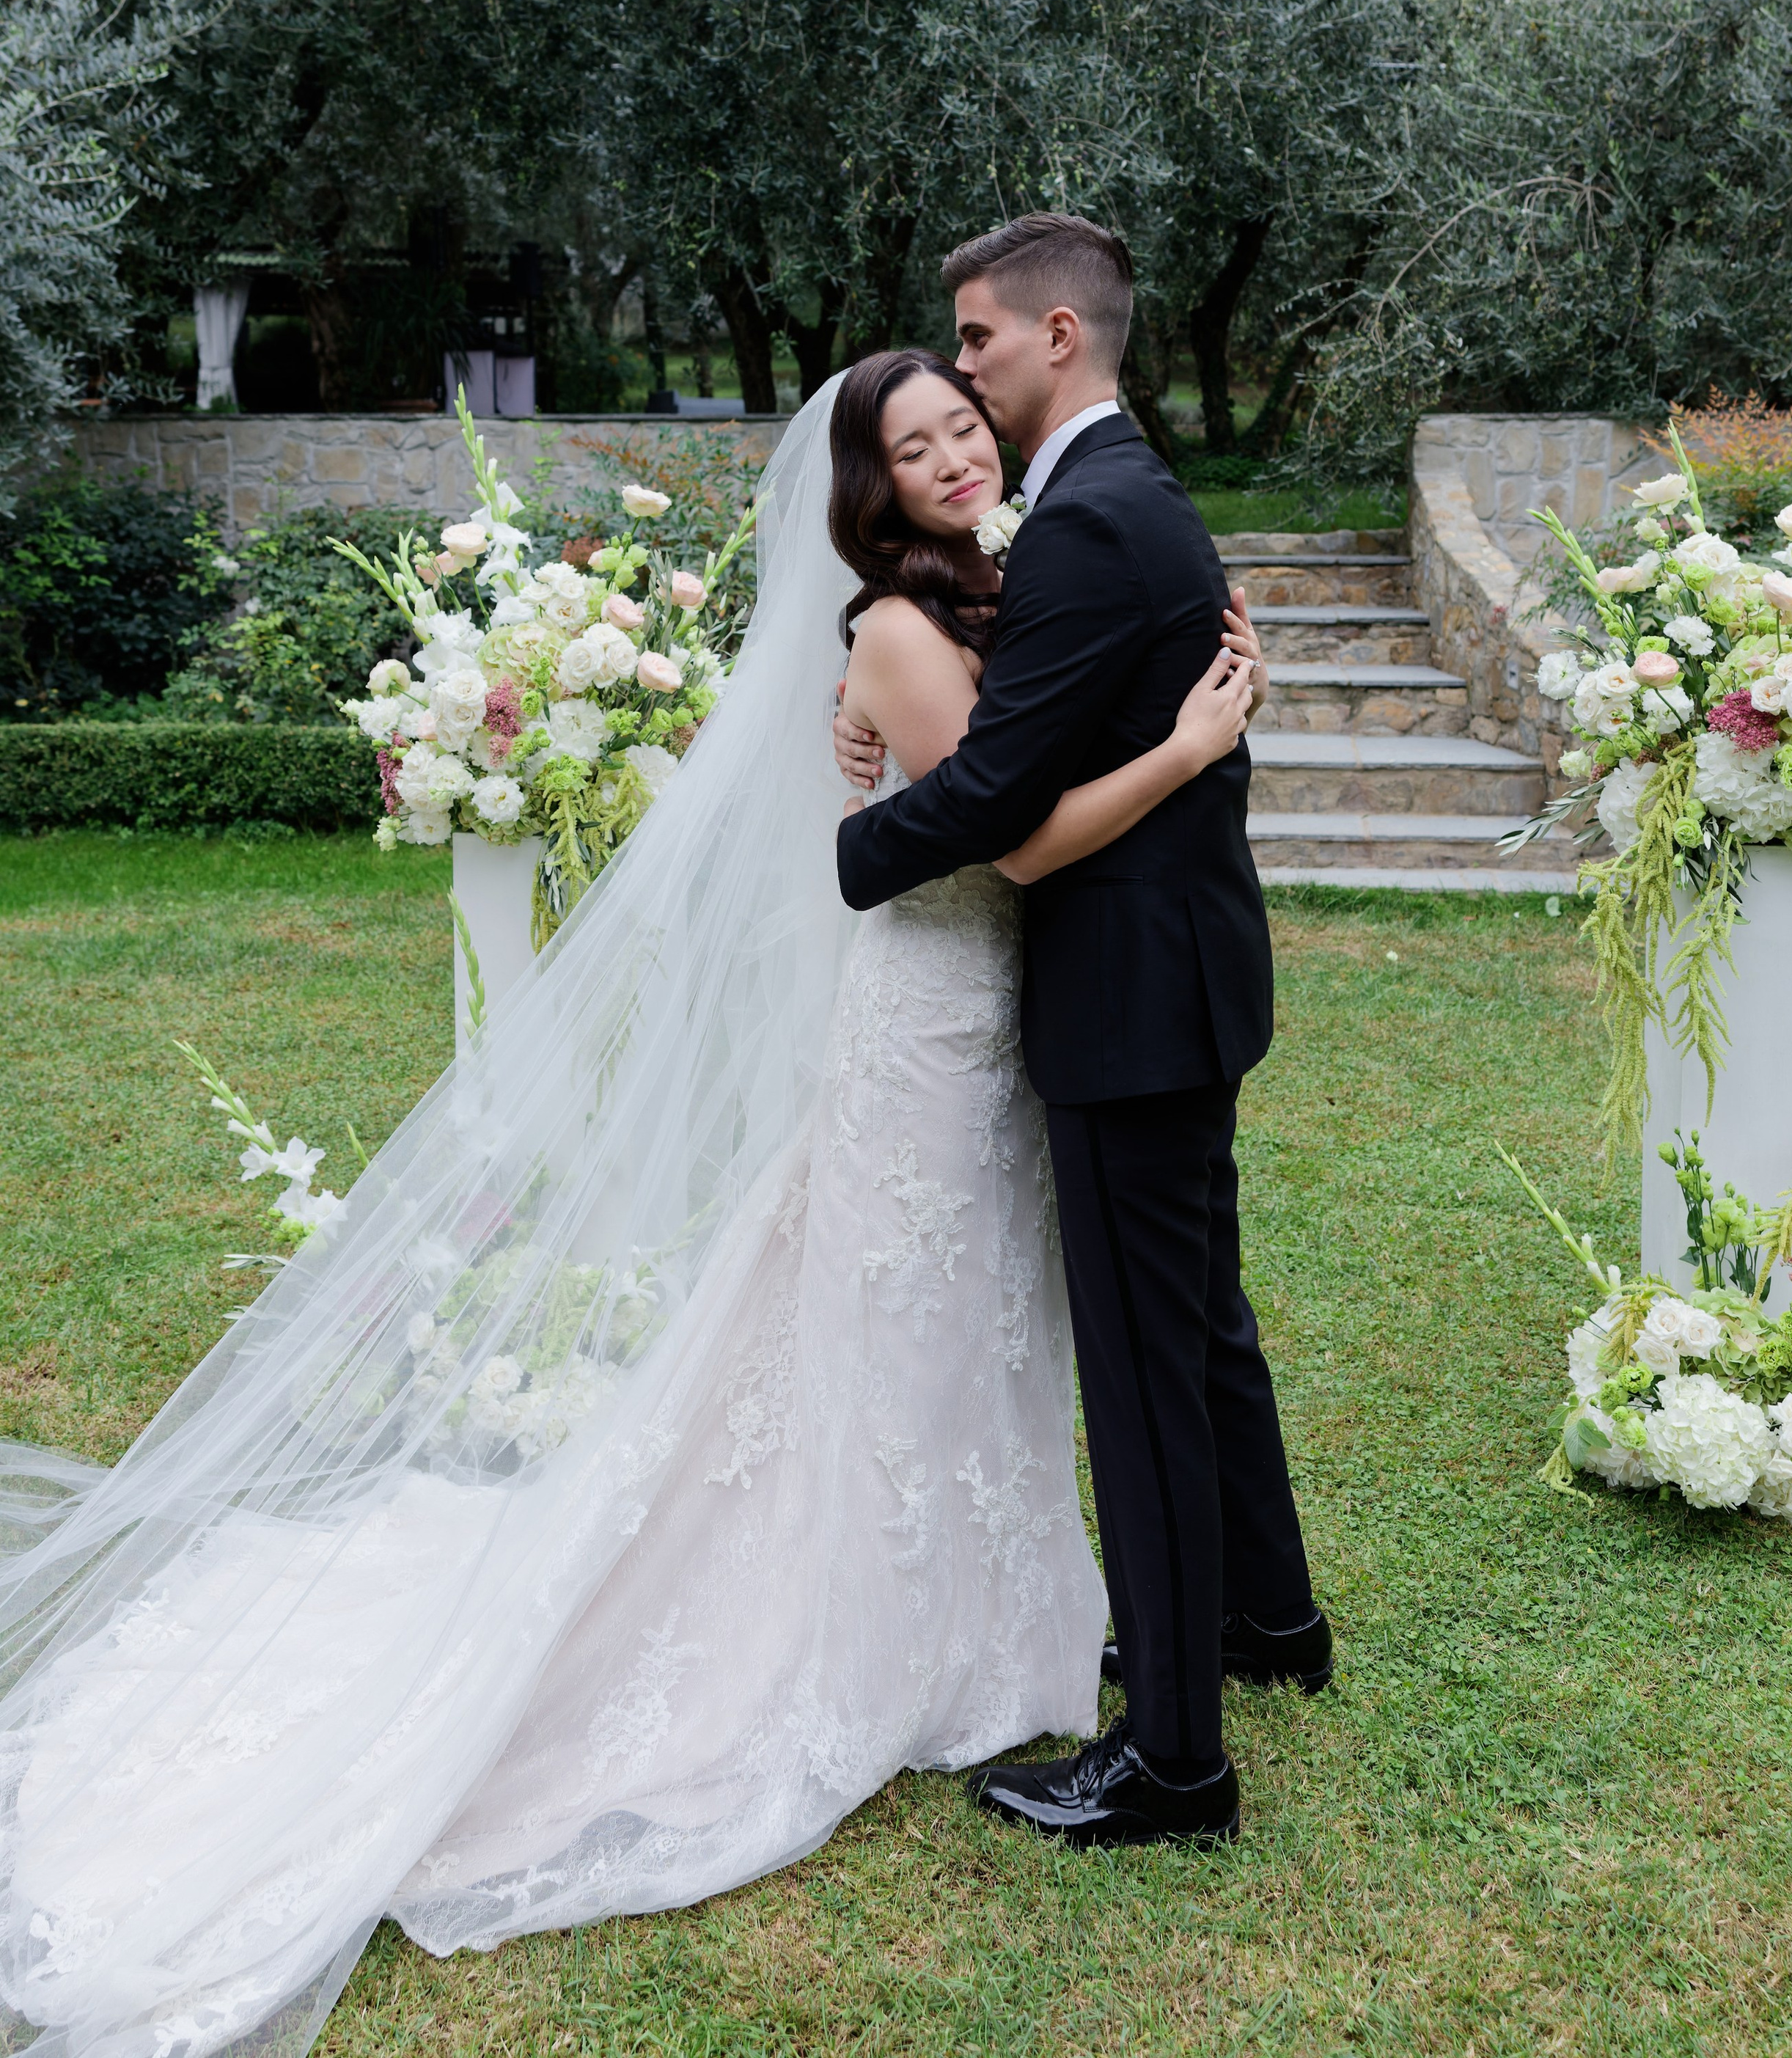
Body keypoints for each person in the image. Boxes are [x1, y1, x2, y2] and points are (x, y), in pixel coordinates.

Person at [0, 353, 1255, 2058]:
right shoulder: (897, 620)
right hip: (934, 1012)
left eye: (965, 427)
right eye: (918, 446)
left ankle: (994, 1611)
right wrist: (1187, 743)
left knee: (970, 1322)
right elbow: (1013, 842)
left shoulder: (1008, 580)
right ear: (871, 493)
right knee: (895, 1320)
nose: (958, 452)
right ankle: (882, 1624)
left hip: (989, 1020)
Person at [836, 212, 1329, 1857]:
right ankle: (1264, 1621)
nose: (960, 363)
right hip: (1180, 982)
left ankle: (1174, 1762)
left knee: (1144, 1375)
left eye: (974, 338)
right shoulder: (1131, 500)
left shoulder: (1084, 527)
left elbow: (993, 799)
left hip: (1127, 1006)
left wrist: (844, 853)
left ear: (1056, 335)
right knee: (1199, 1331)